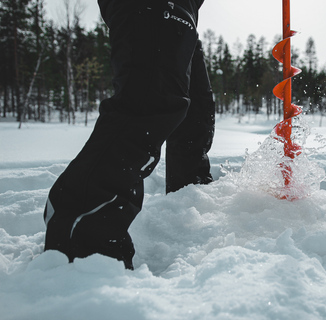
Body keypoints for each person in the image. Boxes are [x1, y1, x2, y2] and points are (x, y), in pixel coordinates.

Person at [43, 0, 215, 270]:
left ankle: (185, 206)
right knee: (150, 102)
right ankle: (82, 244)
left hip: (186, 7)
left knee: (195, 114)